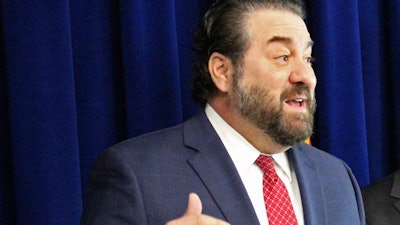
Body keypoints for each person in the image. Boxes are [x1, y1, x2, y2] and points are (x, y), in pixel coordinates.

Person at [80, 0, 365, 224]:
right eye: (283, 57)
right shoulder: (136, 175)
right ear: (223, 71)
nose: (307, 76)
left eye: (307, 58)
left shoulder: (337, 178)